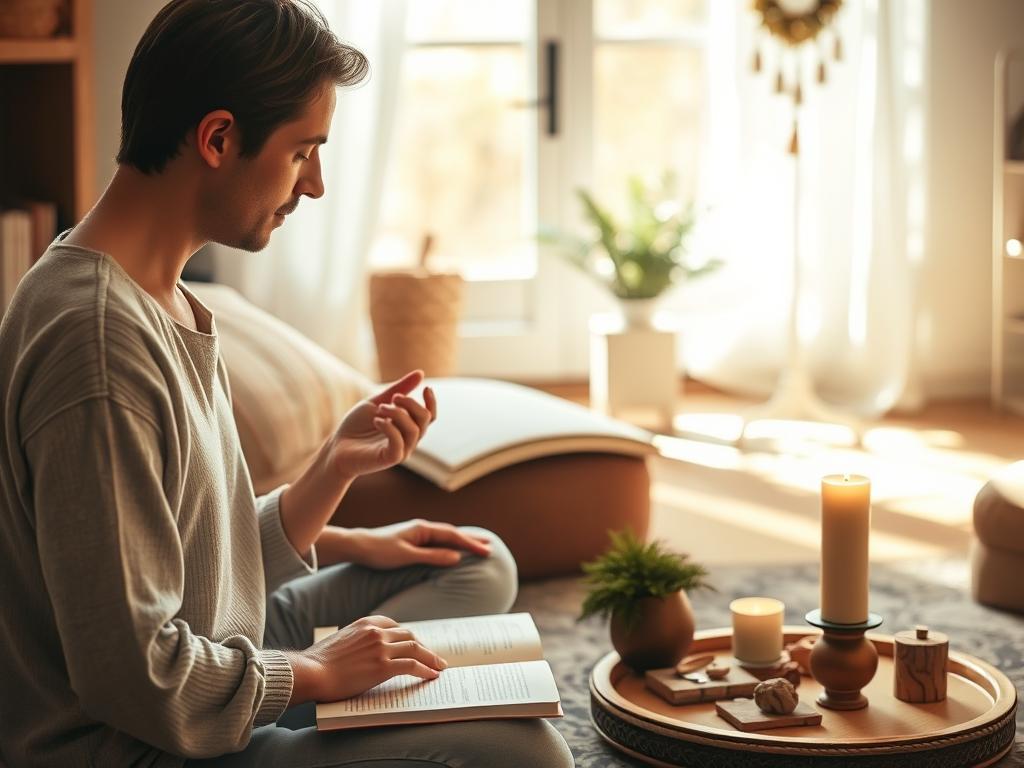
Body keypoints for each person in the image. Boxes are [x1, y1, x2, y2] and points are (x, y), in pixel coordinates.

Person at [0, 1, 574, 766]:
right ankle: (315, 720)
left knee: (476, 564)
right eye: (304, 152)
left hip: (220, 648)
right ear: (218, 139)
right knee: (529, 753)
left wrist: (334, 473)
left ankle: (326, 718)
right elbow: (130, 673)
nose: (317, 186)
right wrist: (314, 675)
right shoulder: (99, 344)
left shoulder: (158, 294)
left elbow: (190, 553)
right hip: (141, 744)